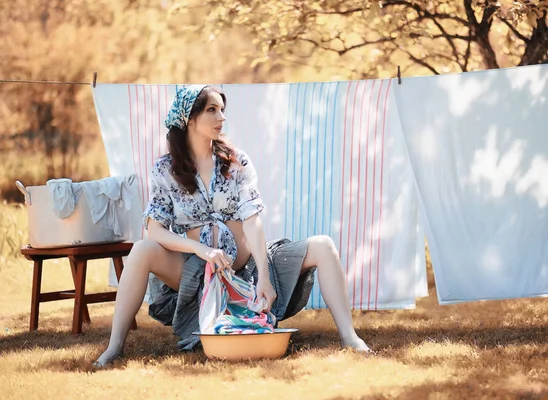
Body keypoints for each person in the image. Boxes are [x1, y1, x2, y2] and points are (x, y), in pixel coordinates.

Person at [93, 85, 370, 367]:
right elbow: (155, 230)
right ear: (189, 118)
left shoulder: (236, 161)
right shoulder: (166, 169)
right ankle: (114, 346)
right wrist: (200, 250)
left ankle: (350, 336)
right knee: (141, 249)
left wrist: (264, 273)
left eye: (222, 109)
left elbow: (252, 219)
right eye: (212, 110)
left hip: (247, 269)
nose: (221, 117)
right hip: (194, 270)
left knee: (323, 245)